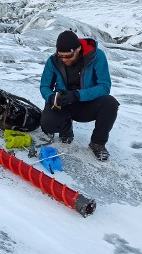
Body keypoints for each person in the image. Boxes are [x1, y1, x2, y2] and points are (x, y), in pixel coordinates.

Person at [39, 30, 119, 161]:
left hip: (86, 104)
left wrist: (77, 95)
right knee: (47, 125)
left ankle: (97, 143)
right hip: (62, 104)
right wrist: (51, 97)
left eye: (68, 56)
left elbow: (104, 87)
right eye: (61, 56)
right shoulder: (53, 61)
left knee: (110, 104)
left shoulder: (96, 56)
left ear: (78, 49)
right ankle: (66, 129)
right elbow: (44, 86)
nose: (64, 60)